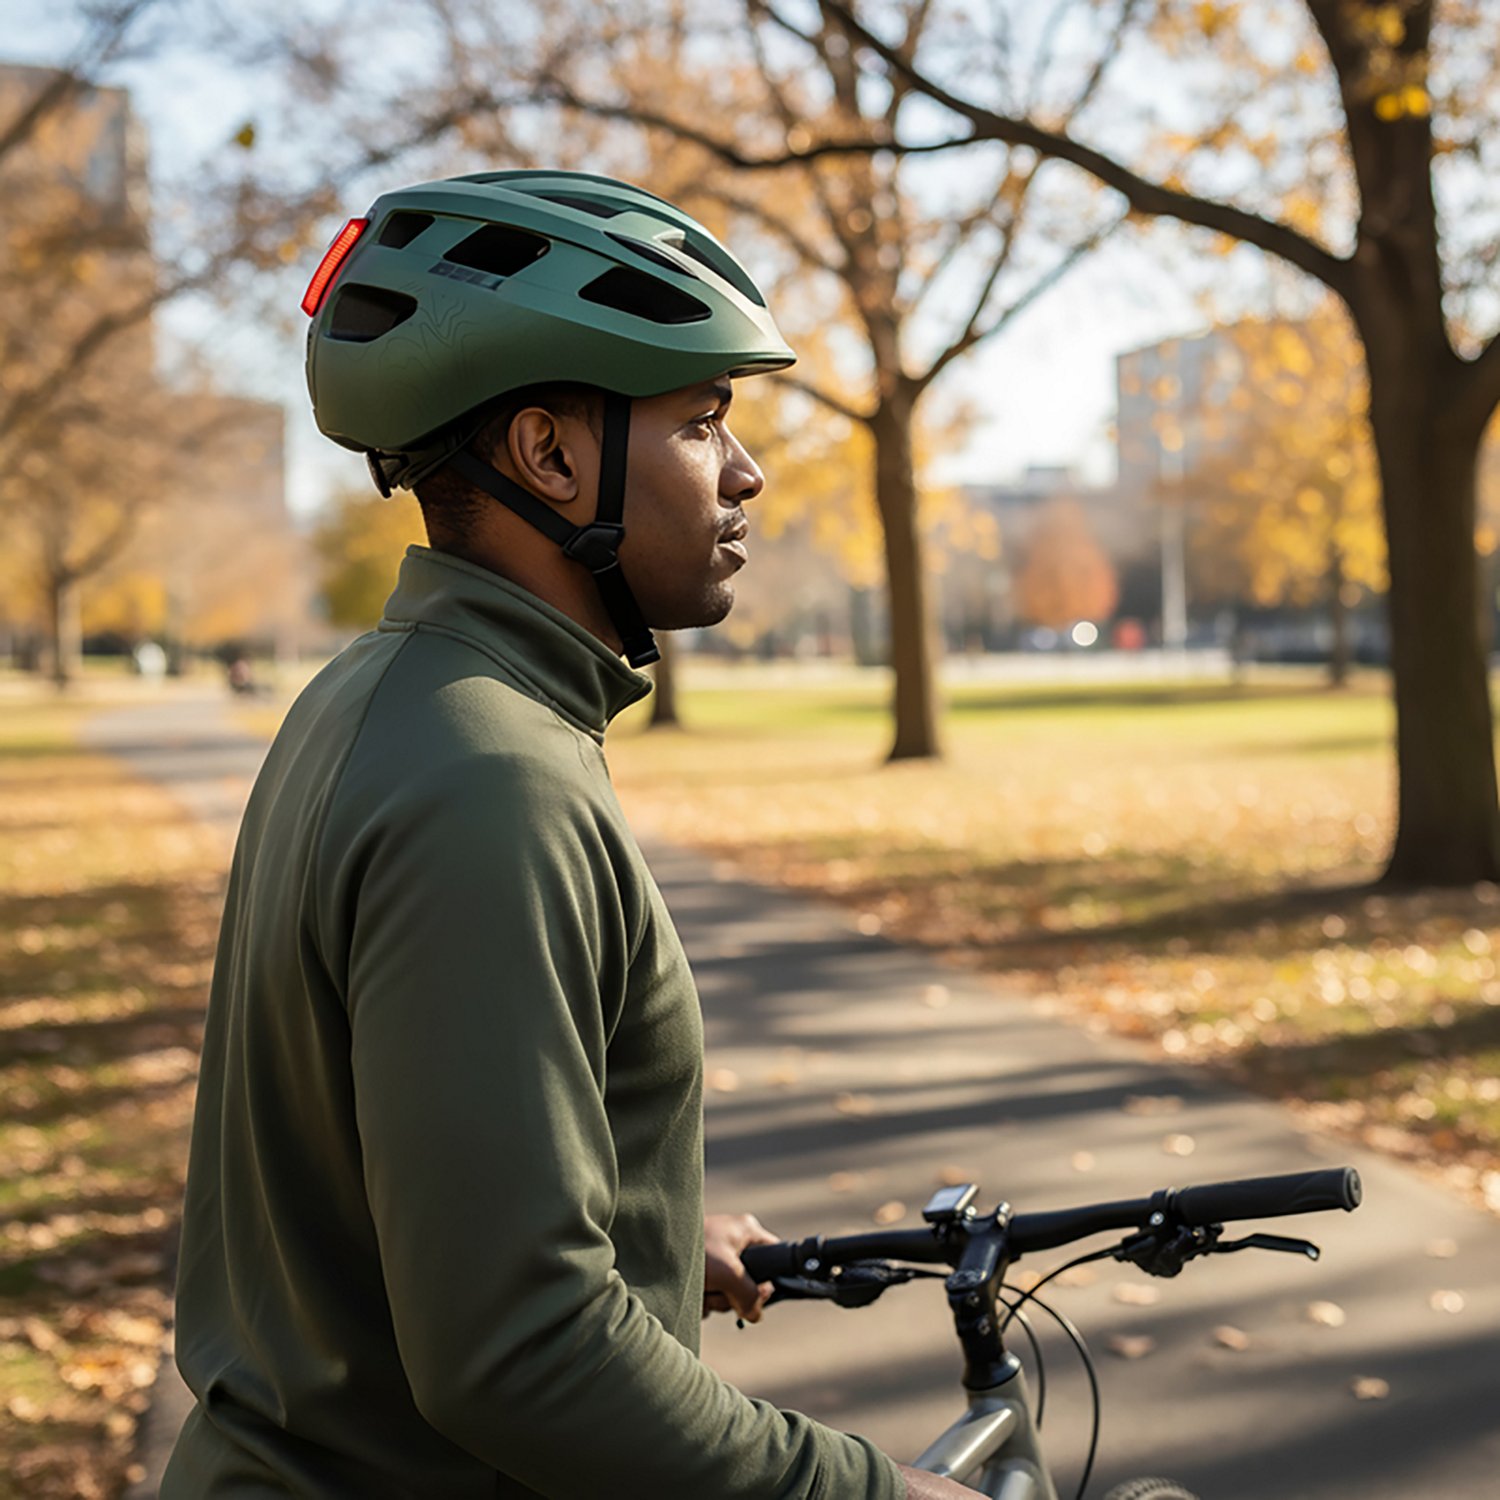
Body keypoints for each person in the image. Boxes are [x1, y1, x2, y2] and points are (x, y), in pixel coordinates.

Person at [161, 169, 981, 1499]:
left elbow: (368, 1152)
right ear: (549, 456)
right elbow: (524, 1356)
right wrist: (873, 1494)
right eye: (702, 422)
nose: (746, 471)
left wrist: (640, 1239)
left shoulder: (384, 697)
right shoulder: (492, 780)